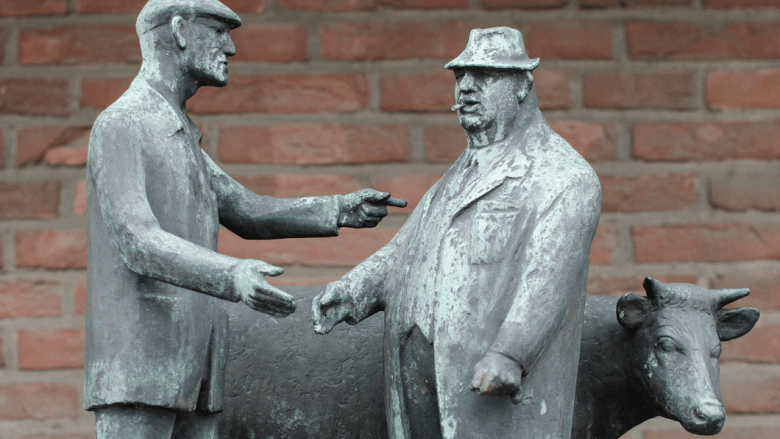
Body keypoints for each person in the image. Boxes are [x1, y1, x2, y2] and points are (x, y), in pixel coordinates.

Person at [83, 1, 404, 438]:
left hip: (196, 367)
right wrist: (232, 275)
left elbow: (248, 211)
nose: (230, 47)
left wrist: (338, 208)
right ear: (178, 30)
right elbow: (138, 240)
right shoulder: (121, 124)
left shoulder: (178, 134)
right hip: (142, 366)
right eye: (217, 31)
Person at [313, 27, 601, 439]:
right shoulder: (461, 170)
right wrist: (355, 287)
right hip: (419, 374)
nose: (466, 87)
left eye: (484, 76)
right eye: (460, 76)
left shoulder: (564, 177)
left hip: (487, 388)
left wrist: (510, 354)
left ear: (522, 85)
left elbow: (547, 280)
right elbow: (409, 250)